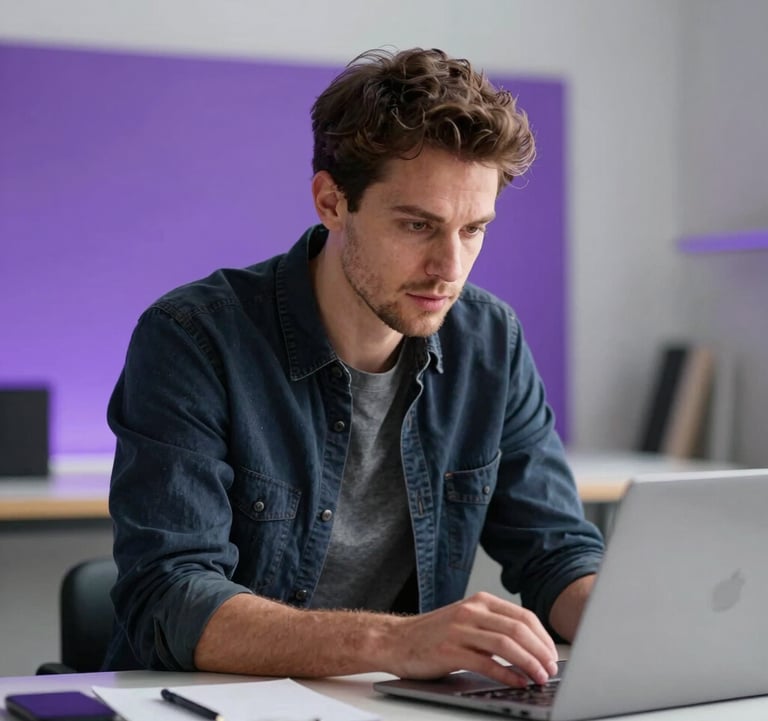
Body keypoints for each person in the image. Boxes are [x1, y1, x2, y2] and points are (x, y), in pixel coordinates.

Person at [104, 46, 604, 688]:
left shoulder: (491, 339)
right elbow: (168, 598)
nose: (450, 267)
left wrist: (639, 627)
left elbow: (556, 552)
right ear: (332, 201)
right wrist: (396, 641)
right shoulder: (193, 338)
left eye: (474, 229)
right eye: (418, 225)